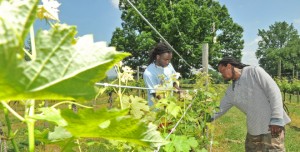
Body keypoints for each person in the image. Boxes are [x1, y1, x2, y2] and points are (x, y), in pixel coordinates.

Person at [212, 56, 291, 152]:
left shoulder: (253, 72)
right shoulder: (231, 91)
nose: (222, 75)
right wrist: (203, 118)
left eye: (222, 71)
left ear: (229, 66)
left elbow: (274, 91)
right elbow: (220, 109)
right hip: (254, 130)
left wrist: (277, 118)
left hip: (272, 127)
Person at [143, 42, 180, 106]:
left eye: (169, 60)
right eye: (165, 60)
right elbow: (155, 94)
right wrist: (168, 107)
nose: (168, 62)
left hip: (169, 105)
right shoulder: (149, 73)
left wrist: (181, 91)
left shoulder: (169, 66)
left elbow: (173, 82)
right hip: (157, 110)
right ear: (158, 57)